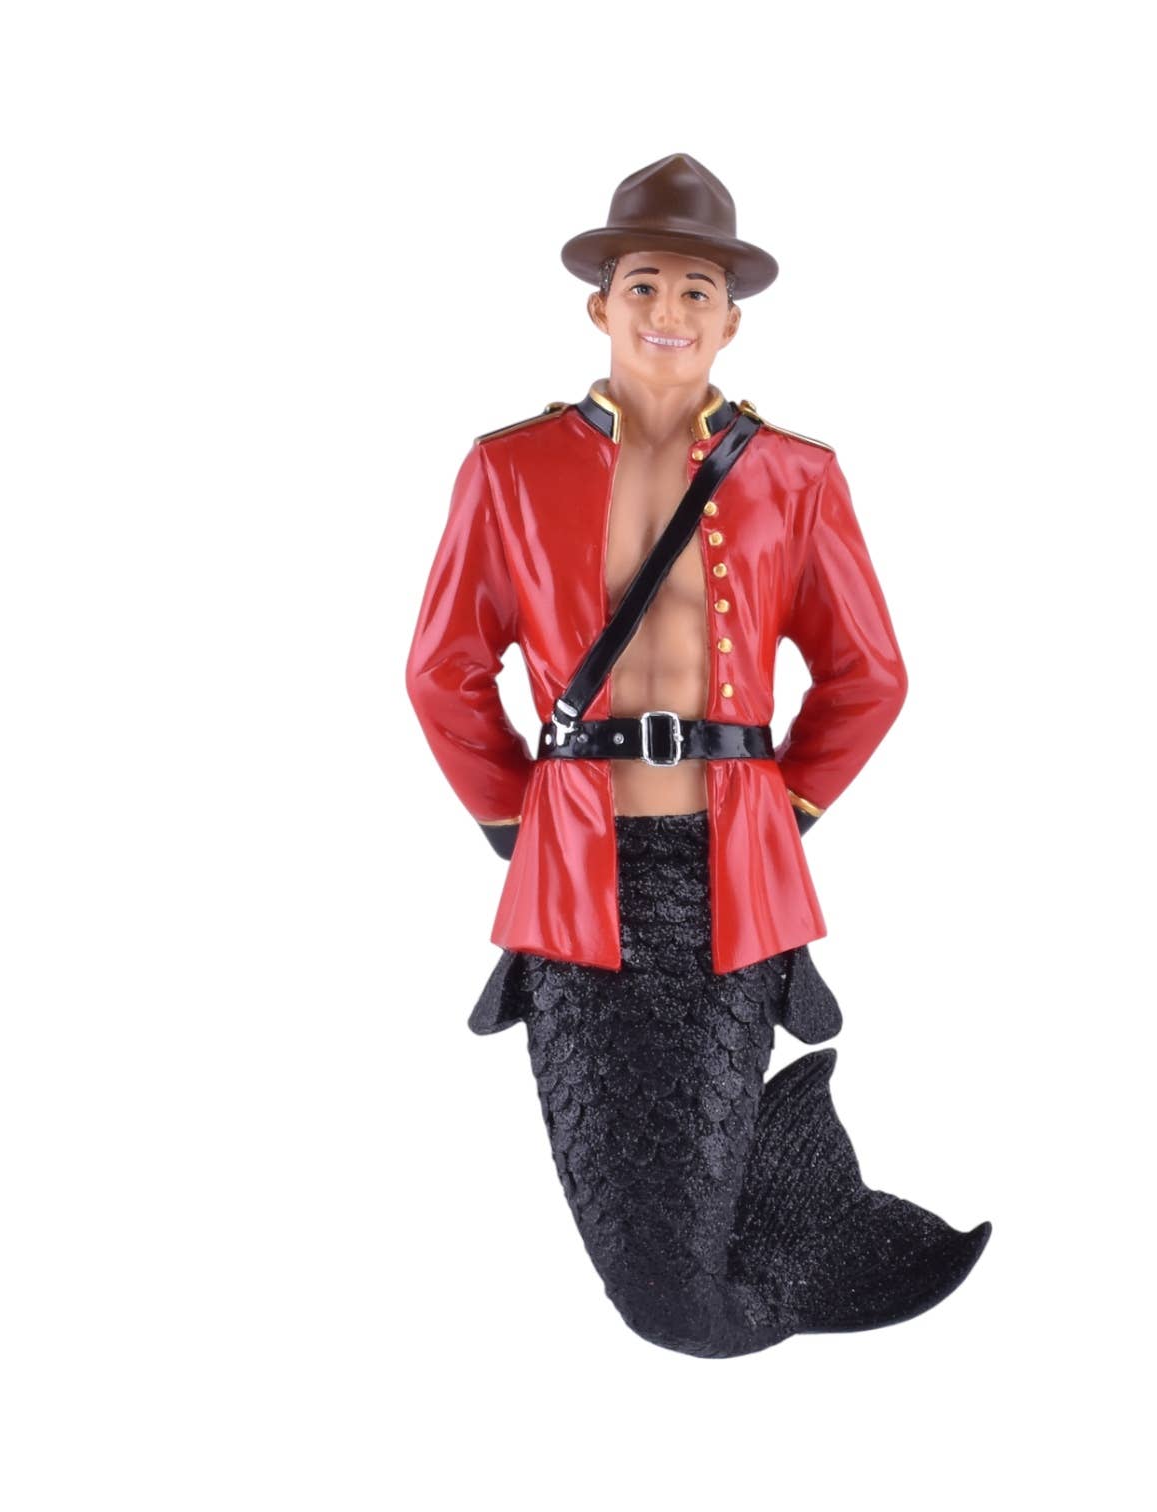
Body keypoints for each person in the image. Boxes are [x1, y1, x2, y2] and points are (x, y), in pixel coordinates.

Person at [406, 153, 990, 1357]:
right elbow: (442, 671)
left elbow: (870, 674)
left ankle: (807, 1221)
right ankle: (804, 1218)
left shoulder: (796, 475)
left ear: (731, 319)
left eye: (694, 292)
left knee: (692, 1278)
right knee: (649, 1275)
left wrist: (786, 815)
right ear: (599, 305)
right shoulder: (508, 469)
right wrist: (519, 829)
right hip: (576, 887)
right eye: (644, 286)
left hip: (733, 885)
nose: (667, 312)